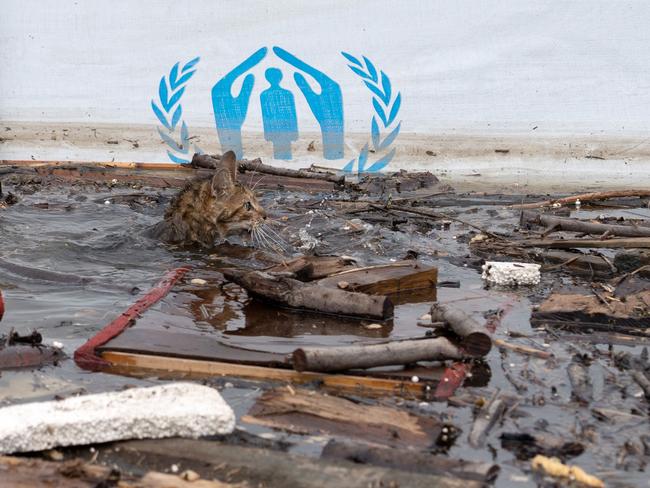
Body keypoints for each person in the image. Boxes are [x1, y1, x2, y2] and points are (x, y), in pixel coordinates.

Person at [260, 68, 298, 160]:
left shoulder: (265, 94)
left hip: (281, 129)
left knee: (284, 155)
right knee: (281, 155)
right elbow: (266, 116)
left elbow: (292, 114)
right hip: (279, 129)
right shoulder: (286, 94)